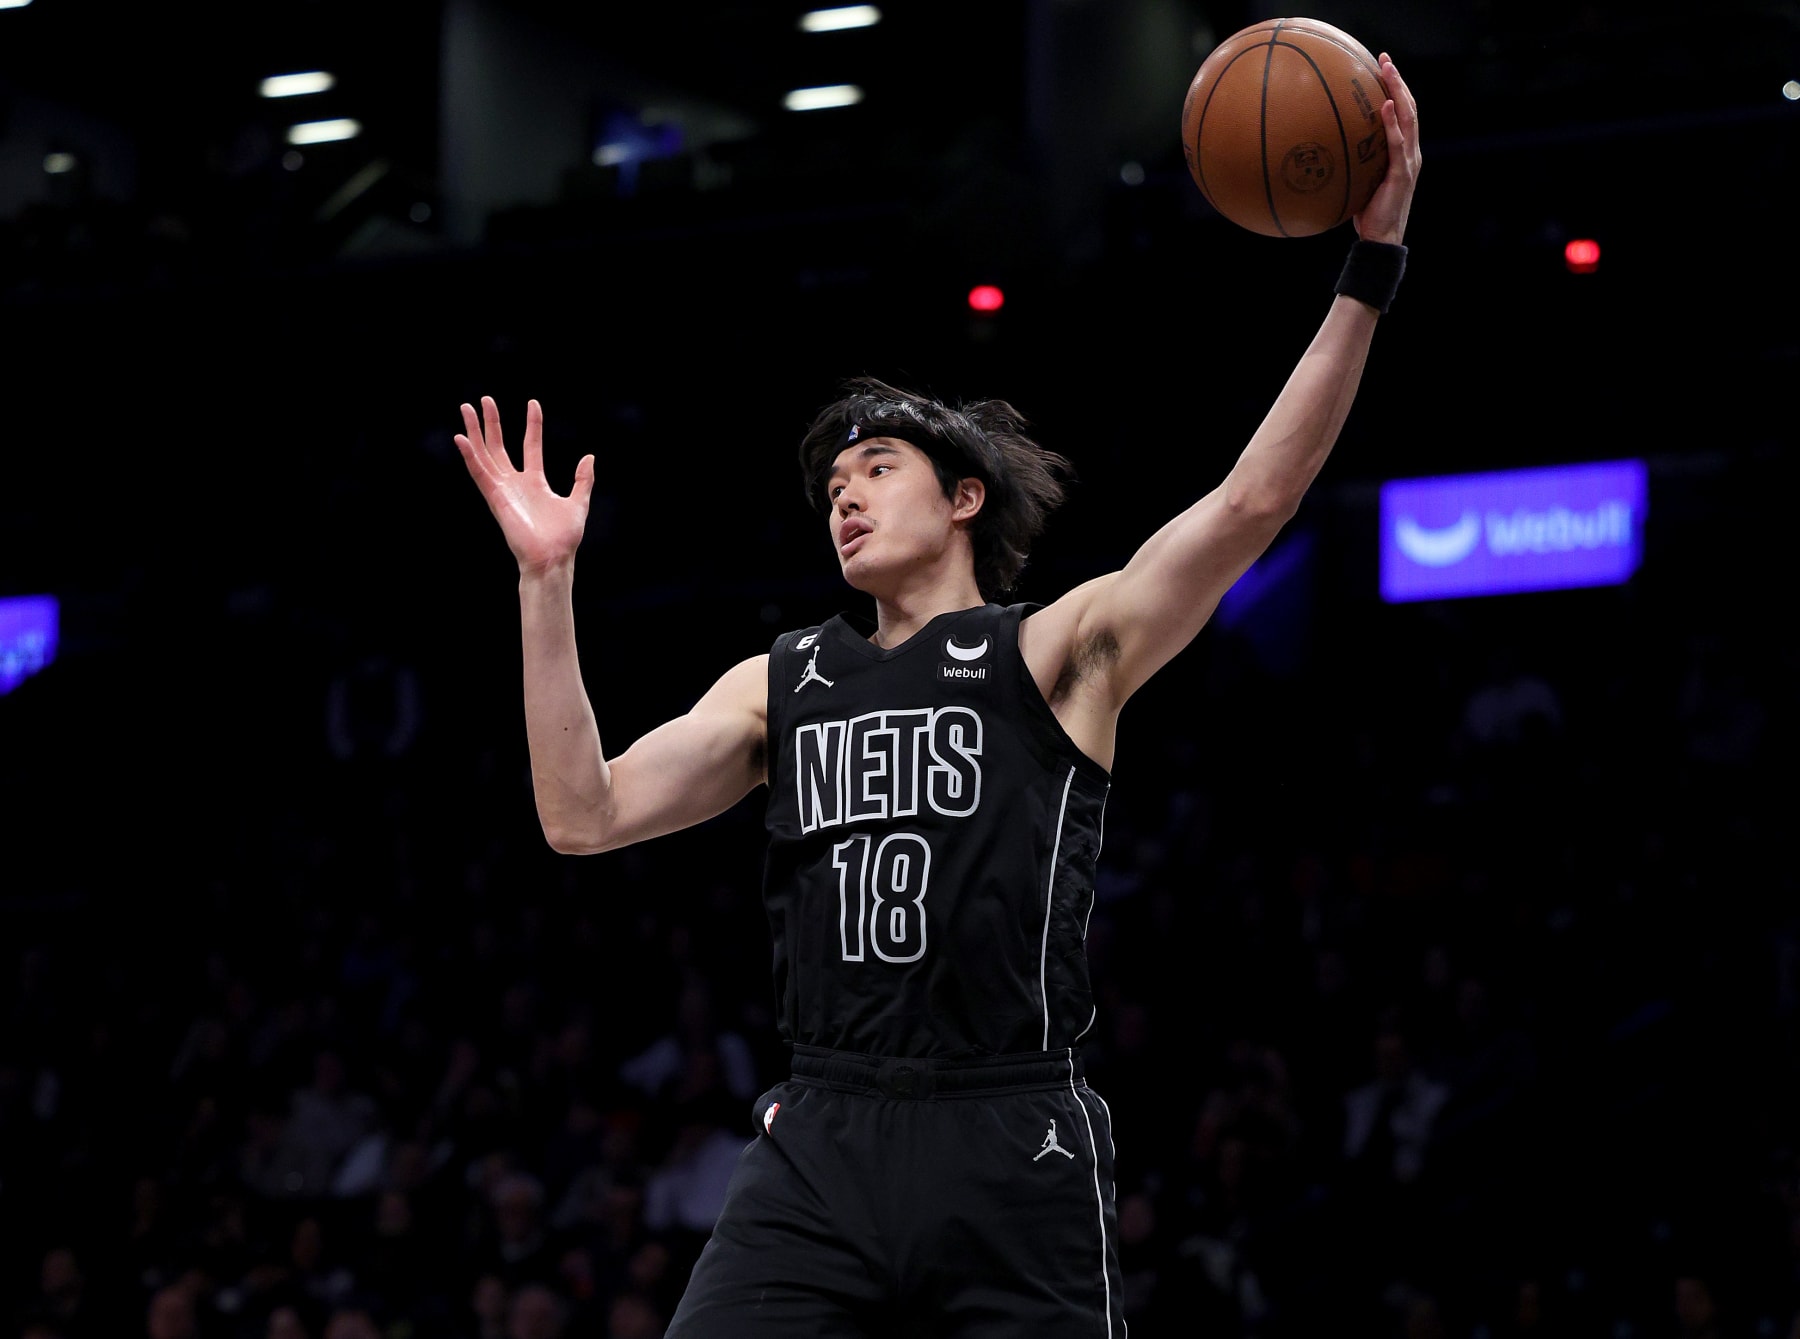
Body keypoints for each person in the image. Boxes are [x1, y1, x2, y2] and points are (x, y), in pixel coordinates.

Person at [452, 53, 1419, 1339]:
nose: (843, 493)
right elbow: (581, 814)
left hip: (1008, 1129)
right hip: (826, 1132)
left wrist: (1370, 266)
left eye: (877, 464)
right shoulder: (782, 681)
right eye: (831, 483)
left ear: (962, 496)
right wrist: (545, 582)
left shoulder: (1058, 649)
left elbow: (1252, 503)